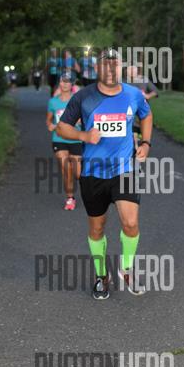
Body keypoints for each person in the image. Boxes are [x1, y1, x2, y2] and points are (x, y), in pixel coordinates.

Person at [56, 48, 153, 300]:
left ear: (120, 68)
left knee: (131, 223)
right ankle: (101, 276)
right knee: (97, 229)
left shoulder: (133, 94)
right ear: (97, 68)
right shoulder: (84, 97)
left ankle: (126, 269)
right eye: (105, 64)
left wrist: (145, 143)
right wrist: (83, 135)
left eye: (115, 64)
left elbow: (147, 115)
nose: (110, 69)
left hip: (124, 169)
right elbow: (62, 127)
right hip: (93, 173)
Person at [46, 71, 83, 210]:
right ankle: (70, 198)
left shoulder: (77, 100)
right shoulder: (53, 102)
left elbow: (86, 118)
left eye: (68, 81)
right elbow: (49, 120)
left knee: (78, 173)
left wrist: (80, 121)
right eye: (62, 81)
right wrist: (51, 126)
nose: (65, 84)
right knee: (65, 167)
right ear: (59, 83)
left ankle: (87, 189)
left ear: (72, 84)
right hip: (59, 139)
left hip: (75, 138)